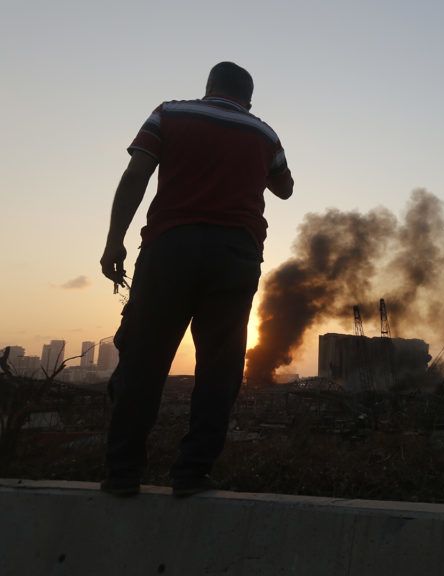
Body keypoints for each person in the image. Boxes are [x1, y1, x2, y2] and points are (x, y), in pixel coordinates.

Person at [99, 62, 293, 497]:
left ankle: (123, 472)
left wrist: (115, 242)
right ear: (248, 98)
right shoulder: (264, 134)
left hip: (170, 249)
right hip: (235, 257)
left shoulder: (169, 114)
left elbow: (136, 174)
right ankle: (191, 474)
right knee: (220, 367)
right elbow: (286, 189)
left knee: (143, 358)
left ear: (208, 88)